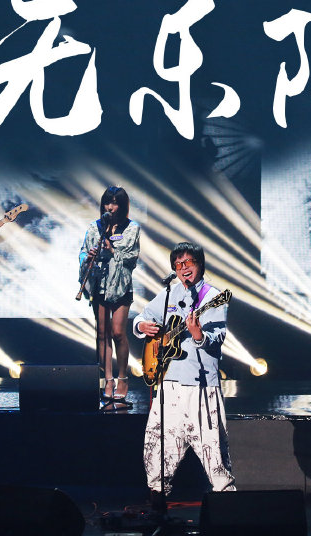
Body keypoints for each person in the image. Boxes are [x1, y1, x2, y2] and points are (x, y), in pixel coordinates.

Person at [134, 242, 235, 504]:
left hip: (200, 385)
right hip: (168, 382)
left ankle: (226, 502)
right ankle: (157, 498)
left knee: (212, 448)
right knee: (159, 444)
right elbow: (143, 316)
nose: (183, 268)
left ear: (200, 264)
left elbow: (218, 335)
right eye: (178, 264)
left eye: (188, 262)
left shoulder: (213, 296)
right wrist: (142, 325)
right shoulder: (170, 292)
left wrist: (199, 335)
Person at [79, 186, 140, 409]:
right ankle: (108, 380)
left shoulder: (132, 228)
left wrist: (112, 251)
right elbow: (83, 251)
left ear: (122, 206)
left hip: (121, 286)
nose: (110, 207)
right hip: (100, 284)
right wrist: (88, 256)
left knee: (118, 332)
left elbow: (132, 256)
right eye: (107, 202)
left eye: (115, 203)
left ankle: (123, 377)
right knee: (102, 334)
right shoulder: (94, 227)